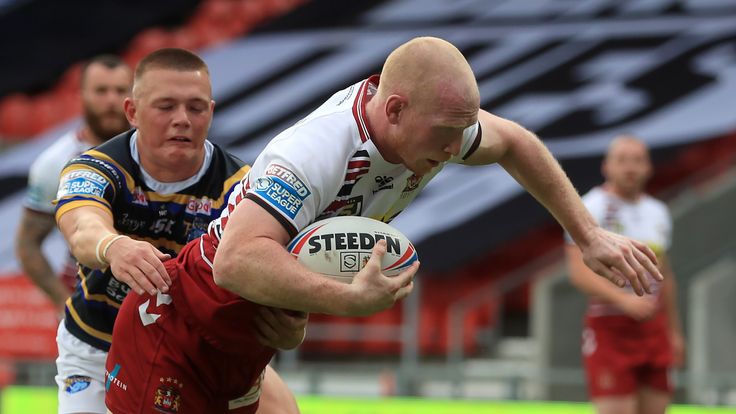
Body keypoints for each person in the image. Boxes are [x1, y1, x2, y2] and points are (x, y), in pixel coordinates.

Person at [105, 37, 663, 413]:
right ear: (394, 110)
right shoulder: (317, 149)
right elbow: (237, 259)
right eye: (445, 135)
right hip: (177, 334)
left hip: (244, 342)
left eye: (461, 135)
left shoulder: (441, 127)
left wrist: (589, 235)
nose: (452, 151)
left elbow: (514, 141)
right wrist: (343, 302)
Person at [54, 48, 303, 414]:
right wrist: (114, 246)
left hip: (197, 348)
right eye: (166, 106)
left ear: (211, 112)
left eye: (196, 107)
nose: (182, 120)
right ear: (132, 112)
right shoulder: (93, 168)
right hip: (99, 345)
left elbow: (273, 267)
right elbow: (82, 228)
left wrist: (293, 323)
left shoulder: (245, 185)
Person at [565, 135, 685, 414]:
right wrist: (623, 300)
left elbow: (664, 274)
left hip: (653, 330)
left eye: (638, 160)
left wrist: (675, 332)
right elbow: (577, 271)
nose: (630, 167)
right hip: (611, 329)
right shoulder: (588, 208)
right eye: (622, 160)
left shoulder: (658, 212)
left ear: (649, 167)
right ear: (607, 166)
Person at [15, 55, 132, 315]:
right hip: (88, 303)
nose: (111, 100)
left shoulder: (159, 153)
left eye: (120, 90)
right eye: (101, 91)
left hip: (156, 300)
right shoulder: (54, 162)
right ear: (81, 97)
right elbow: (27, 244)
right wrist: (61, 301)